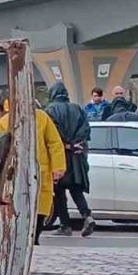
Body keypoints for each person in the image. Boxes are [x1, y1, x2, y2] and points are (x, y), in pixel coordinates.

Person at [0, 101, 66, 245]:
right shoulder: (6, 120)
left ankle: (35, 237)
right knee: (16, 204)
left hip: (39, 169)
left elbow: (54, 143)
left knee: (40, 206)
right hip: (14, 170)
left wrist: (58, 167)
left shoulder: (42, 117)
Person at [44, 83, 96, 237]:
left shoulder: (49, 110)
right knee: (76, 188)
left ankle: (65, 225)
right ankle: (87, 215)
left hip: (59, 155)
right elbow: (86, 129)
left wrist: (65, 144)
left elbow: (51, 132)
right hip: (76, 155)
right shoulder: (78, 109)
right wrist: (75, 143)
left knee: (58, 191)